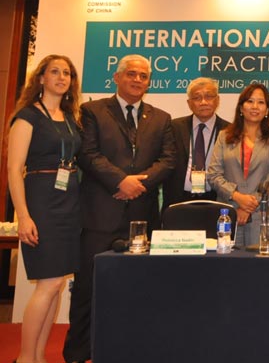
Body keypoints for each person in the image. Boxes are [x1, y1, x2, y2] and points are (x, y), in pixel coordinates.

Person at [64, 54, 175, 363]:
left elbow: (168, 160)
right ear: (117, 77)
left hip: (142, 214)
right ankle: (77, 352)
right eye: (131, 74)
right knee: (87, 287)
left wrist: (138, 183)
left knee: (139, 288)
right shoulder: (92, 111)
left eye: (143, 76)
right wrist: (120, 182)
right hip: (100, 213)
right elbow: (88, 154)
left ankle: (133, 348)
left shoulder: (161, 117)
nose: (138, 80)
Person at [7, 55, 82, 363]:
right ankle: (25, 358)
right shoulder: (27, 116)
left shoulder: (69, 116)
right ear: (40, 78)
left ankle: (38, 355)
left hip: (69, 203)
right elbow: (14, 170)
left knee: (56, 283)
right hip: (41, 202)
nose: (61, 77)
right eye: (54, 71)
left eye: (66, 73)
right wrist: (23, 216)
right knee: (49, 282)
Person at [207, 83, 269, 248]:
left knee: (262, 269)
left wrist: (250, 204)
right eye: (250, 101)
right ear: (241, 107)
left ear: (267, 110)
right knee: (228, 268)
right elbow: (214, 175)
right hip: (229, 214)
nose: (255, 106)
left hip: (263, 215)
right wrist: (237, 197)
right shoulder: (224, 136)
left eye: (261, 102)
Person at [162, 77, 229, 209]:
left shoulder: (230, 131)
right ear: (189, 103)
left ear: (217, 100)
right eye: (197, 98)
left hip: (217, 199)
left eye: (209, 96)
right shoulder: (173, 127)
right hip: (178, 200)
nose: (203, 102)